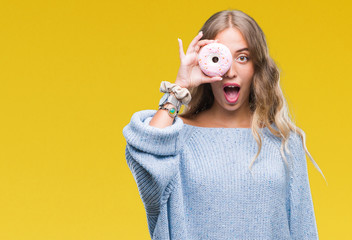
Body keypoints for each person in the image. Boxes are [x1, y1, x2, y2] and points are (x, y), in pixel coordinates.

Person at [122, 9, 327, 240]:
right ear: (203, 63)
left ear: (256, 66)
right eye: (219, 58)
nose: (230, 71)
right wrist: (179, 89)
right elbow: (144, 156)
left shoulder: (284, 141)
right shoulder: (177, 136)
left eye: (242, 57)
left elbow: (303, 229)